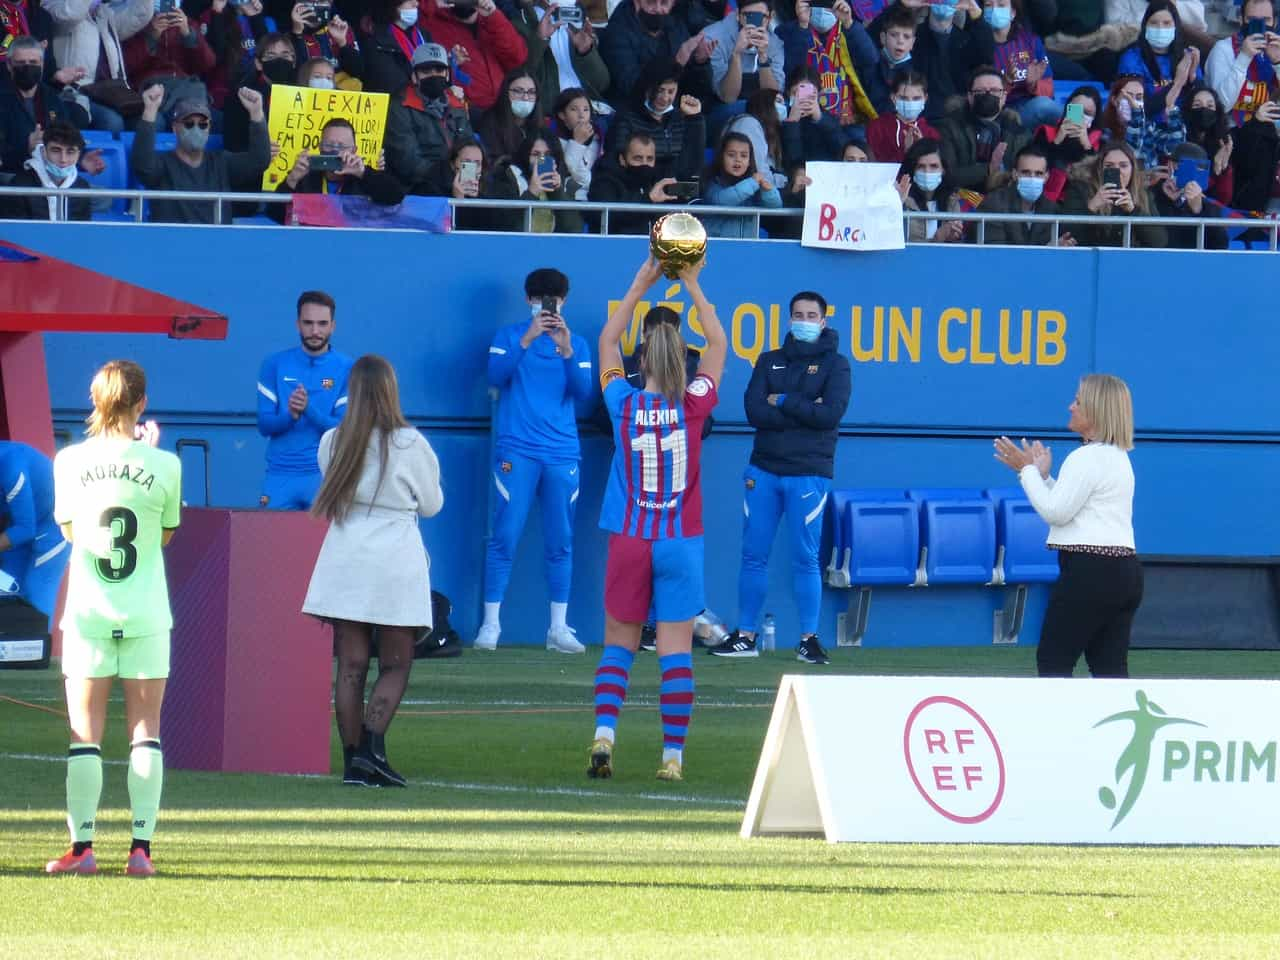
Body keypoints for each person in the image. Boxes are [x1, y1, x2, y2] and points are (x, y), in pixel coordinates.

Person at [589, 253, 727, 782]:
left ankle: (605, 734)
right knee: (675, 653)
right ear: (681, 365)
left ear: (640, 361)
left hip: (630, 537)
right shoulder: (694, 404)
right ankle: (672, 755)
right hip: (680, 542)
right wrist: (692, 283)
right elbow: (718, 344)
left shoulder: (621, 400)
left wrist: (641, 280)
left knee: (619, 645)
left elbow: (606, 341)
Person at [46, 360, 181, 877]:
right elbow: (164, 536)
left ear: (94, 400)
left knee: (86, 734)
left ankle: (82, 848)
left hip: (88, 611)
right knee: (146, 731)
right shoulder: (165, 465)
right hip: (145, 610)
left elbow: (70, 532)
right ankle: (141, 849)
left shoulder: (69, 461)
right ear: (142, 404)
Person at [302, 355, 444, 786]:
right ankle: (372, 748)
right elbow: (432, 504)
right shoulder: (410, 443)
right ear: (390, 390)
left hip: (345, 555)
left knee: (351, 664)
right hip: (394, 559)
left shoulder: (332, 440)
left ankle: (352, 761)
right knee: (396, 664)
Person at [709, 290, 851, 665]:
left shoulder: (837, 365)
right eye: (797, 314)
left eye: (811, 315)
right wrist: (805, 409)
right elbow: (755, 410)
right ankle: (745, 636)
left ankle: (808, 640)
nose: (803, 320)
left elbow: (829, 415)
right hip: (764, 470)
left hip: (808, 474)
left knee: (806, 558)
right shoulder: (769, 360)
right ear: (789, 319)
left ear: (823, 321)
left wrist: (784, 401)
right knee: (753, 555)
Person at [993, 374, 1140, 678]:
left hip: (1090, 572)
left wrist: (1026, 471)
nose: (1070, 406)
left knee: (1054, 660)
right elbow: (1078, 506)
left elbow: (1055, 512)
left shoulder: (1085, 458)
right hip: (1125, 573)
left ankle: (1059, 726)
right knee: (1110, 668)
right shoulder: (1117, 457)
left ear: (1096, 411)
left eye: (1078, 401)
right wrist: (1044, 478)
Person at [476, 268, 592, 653]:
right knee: (504, 536)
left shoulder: (577, 343)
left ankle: (558, 628)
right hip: (517, 451)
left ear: (564, 301)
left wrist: (567, 351)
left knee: (562, 540)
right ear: (529, 301)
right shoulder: (509, 337)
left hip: (561, 455)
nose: (549, 306)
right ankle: (491, 624)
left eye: (555, 300)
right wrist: (526, 339)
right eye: (543, 300)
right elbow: (495, 375)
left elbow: (583, 391)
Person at [256, 290, 353, 510]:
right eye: (308, 323)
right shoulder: (274, 364)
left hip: (325, 476)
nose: (315, 331)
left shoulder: (347, 368)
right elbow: (264, 425)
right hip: (279, 475)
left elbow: (344, 430)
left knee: (324, 544)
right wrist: (289, 415)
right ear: (297, 324)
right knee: (267, 541)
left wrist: (309, 409)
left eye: (322, 323)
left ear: (333, 326)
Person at [130, 86, 272, 224]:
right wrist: (150, 110)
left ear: (209, 128)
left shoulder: (221, 162)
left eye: (203, 124)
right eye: (189, 124)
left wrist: (256, 113)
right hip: (173, 244)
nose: (196, 129)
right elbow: (142, 165)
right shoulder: (162, 164)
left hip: (216, 244)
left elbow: (259, 161)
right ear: (174, 128)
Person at [44, 0, 153, 133]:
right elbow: (72, 13)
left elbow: (139, 15)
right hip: (78, 92)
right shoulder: (55, 5)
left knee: (153, 119)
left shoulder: (103, 12)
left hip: (113, 92)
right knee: (112, 122)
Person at [386, 42, 475, 193]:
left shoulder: (457, 106)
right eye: (426, 70)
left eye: (439, 69)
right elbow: (408, 163)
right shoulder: (398, 108)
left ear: (447, 74)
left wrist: (468, 178)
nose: (434, 74)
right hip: (418, 190)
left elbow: (470, 149)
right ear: (414, 76)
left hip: (458, 184)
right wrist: (450, 179)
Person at [597, 0, 716, 111]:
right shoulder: (617, 33)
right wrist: (677, 65)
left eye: (664, 2)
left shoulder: (675, 23)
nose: (658, 9)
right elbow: (633, 88)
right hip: (635, 115)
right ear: (636, 2)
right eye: (651, 2)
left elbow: (698, 92)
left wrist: (699, 62)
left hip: (676, 111)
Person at [777, 0, 879, 129]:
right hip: (806, 120)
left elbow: (871, 60)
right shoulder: (787, 30)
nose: (823, 8)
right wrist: (802, 26)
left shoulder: (849, 28)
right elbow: (790, 71)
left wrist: (849, 24)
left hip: (848, 120)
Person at [0, 35, 90, 174]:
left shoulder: (52, 98)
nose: (27, 67)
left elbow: (67, 138)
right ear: (9, 65)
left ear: (42, 64)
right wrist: (26, 146)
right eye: (21, 63)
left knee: (101, 195)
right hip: (12, 179)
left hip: (51, 177)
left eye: (33, 62)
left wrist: (82, 159)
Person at [0, 441, 69, 622]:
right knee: (6, 589)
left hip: (53, 527)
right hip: (18, 524)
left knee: (34, 595)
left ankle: (37, 649)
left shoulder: (10, 464)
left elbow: (26, 529)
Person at [605, 58, 706, 181]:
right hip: (640, 188)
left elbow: (695, 164)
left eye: (671, 91)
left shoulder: (682, 117)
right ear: (647, 87)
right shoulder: (626, 120)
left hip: (677, 190)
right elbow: (615, 165)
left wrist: (694, 119)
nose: (665, 98)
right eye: (660, 90)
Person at [419, 0, 529, 112]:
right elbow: (406, 8)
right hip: (462, 113)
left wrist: (493, 17)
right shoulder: (430, 19)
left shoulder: (492, 18)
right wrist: (432, 3)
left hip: (502, 109)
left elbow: (517, 58)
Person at [936, 63, 1029, 190]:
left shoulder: (1019, 133)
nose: (988, 95)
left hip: (1005, 201)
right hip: (959, 199)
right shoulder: (949, 127)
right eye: (980, 91)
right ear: (969, 96)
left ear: (1004, 97)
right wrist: (989, 168)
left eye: (995, 91)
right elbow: (947, 175)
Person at [1060, 142, 1167, 247]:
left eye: (1123, 166)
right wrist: (1091, 208)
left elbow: (1159, 242)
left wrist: (1134, 211)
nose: (1117, 171)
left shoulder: (1143, 194)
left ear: (1132, 169)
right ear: (1100, 169)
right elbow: (1066, 236)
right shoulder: (1080, 189)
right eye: (1109, 165)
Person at [512, 0, 610, 114]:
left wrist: (586, 52)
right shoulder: (520, 24)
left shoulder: (575, 23)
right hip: (552, 115)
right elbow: (520, 79)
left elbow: (602, 83)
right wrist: (540, 39)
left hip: (589, 111)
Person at [909, 0, 994, 123]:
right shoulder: (911, 37)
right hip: (921, 118)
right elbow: (878, 40)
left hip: (958, 119)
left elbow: (987, 57)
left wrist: (978, 17)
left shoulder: (966, 39)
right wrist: (901, 6)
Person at [974, 142, 1071, 244]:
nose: (1032, 178)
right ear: (1015, 174)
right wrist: (1047, 250)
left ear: (1046, 177)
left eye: (1038, 174)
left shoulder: (1052, 211)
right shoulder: (993, 205)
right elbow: (997, 255)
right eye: (1026, 172)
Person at [587, 130, 682, 234]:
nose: (644, 164)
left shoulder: (656, 181)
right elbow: (607, 217)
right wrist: (648, 199)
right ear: (622, 159)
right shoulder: (604, 182)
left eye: (650, 159)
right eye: (638, 158)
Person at [1116, 1, 1201, 115]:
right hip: (1144, 129)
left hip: (1181, 127)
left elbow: (1204, 102)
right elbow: (1137, 110)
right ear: (1145, 26)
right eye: (1154, 23)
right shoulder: (1132, 59)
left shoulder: (1185, 57)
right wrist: (1177, 82)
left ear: (1175, 26)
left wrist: (1193, 78)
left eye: (1166, 23)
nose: (1160, 28)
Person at [982, 0, 1058, 128]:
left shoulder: (1030, 41)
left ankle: (1084, 135)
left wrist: (1032, 84)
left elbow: (1049, 91)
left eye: (1001, 5)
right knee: (1043, 106)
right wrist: (1006, 83)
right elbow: (981, 101)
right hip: (1000, 116)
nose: (995, 10)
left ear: (1012, 12)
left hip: (1031, 107)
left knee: (1078, 105)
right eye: (988, 5)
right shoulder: (977, 46)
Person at [488, 130, 584, 231]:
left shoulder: (566, 183)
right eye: (535, 154)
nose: (541, 160)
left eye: (547, 155)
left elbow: (574, 229)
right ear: (525, 155)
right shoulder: (507, 177)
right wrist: (531, 193)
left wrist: (558, 192)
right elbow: (505, 224)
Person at [1205, 0, 1280, 126]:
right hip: (1234, 133)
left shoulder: (1278, 48)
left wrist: (1278, 63)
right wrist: (1244, 58)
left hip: (1271, 132)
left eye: (1266, 20)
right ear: (1241, 20)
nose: (1260, 26)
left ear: (1275, 23)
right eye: (1252, 20)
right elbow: (1220, 107)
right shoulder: (1223, 50)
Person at [0, 121, 93, 222]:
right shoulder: (19, 186)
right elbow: (15, 234)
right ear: (43, 151)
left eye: (70, 152)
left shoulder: (82, 187)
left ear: (78, 155)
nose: (63, 159)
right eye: (56, 151)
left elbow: (82, 231)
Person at [1097, 71, 1188, 172]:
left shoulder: (1148, 126)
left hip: (1149, 186)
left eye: (1139, 97)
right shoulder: (1104, 130)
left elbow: (1174, 148)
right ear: (1114, 100)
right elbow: (1130, 154)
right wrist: (1136, 114)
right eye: (1128, 96)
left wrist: (1171, 110)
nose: (1133, 102)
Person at [704, 0, 783, 115]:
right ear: (738, 15)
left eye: (761, 16)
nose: (755, 23)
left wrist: (763, 56)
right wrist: (736, 54)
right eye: (748, 16)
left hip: (761, 106)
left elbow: (773, 96)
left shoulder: (775, 43)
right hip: (720, 108)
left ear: (771, 17)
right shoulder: (714, 39)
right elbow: (727, 97)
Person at [701, 131, 781, 237]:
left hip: (747, 247)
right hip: (718, 246)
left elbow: (775, 206)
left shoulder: (754, 186)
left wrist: (768, 192)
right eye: (731, 155)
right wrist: (752, 183)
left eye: (743, 156)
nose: (738, 159)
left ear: (749, 162)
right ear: (721, 157)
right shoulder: (713, 182)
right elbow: (723, 200)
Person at [223, 30, 292, 152]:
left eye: (285, 55)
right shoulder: (241, 96)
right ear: (258, 63)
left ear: (294, 61)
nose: (279, 60)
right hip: (254, 167)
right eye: (271, 56)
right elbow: (232, 145)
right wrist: (259, 150)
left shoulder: (302, 93)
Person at [1151, 141, 1227, 248]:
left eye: (1200, 169)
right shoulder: (1150, 195)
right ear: (1171, 165)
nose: (1194, 173)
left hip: (1192, 262)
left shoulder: (1208, 207)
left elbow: (1220, 246)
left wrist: (1198, 210)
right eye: (1189, 167)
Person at [894, 136, 966, 242]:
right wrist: (937, 239)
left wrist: (953, 238)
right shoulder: (900, 200)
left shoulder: (952, 201)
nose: (927, 172)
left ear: (944, 170)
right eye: (921, 166)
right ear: (912, 169)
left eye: (934, 166)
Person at [865, 69, 939, 165]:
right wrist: (905, 151)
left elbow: (933, 169)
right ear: (893, 98)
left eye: (916, 98)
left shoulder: (931, 134)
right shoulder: (877, 128)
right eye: (904, 98)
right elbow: (876, 167)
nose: (910, 103)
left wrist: (920, 148)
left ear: (925, 99)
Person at [779, 65, 848, 167]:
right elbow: (791, 159)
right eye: (796, 93)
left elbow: (843, 150)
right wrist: (792, 122)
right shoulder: (781, 117)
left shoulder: (829, 120)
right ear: (788, 93)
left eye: (810, 94)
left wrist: (820, 119)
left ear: (819, 93)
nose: (803, 98)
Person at [360, 0, 430, 95]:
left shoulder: (423, 34)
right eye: (409, 0)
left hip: (425, 98)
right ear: (393, 5)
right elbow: (390, 83)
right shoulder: (376, 41)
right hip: (397, 102)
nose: (416, 3)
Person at [476, 67, 543, 161]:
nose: (526, 97)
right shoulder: (489, 122)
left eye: (531, 92)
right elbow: (493, 164)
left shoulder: (540, 129)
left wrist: (544, 172)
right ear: (505, 93)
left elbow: (545, 162)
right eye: (518, 91)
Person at [1182, 83, 1232, 204]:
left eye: (1210, 106)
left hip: (1211, 215)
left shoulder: (1221, 144)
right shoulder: (1180, 140)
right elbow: (1188, 190)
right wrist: (1215, 170)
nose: (1204, 110)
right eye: (1197, 105)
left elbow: (1224, 200)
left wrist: (1223, 168)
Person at [553, 86, 603, 199]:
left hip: (590, 199)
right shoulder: (549, 138)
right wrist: (577, 143)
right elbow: (543, 167)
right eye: (574, 109)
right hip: (558, 198)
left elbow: (588, 179)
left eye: (586, 109)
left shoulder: (599, 139)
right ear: (562, 115)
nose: (581, 115)